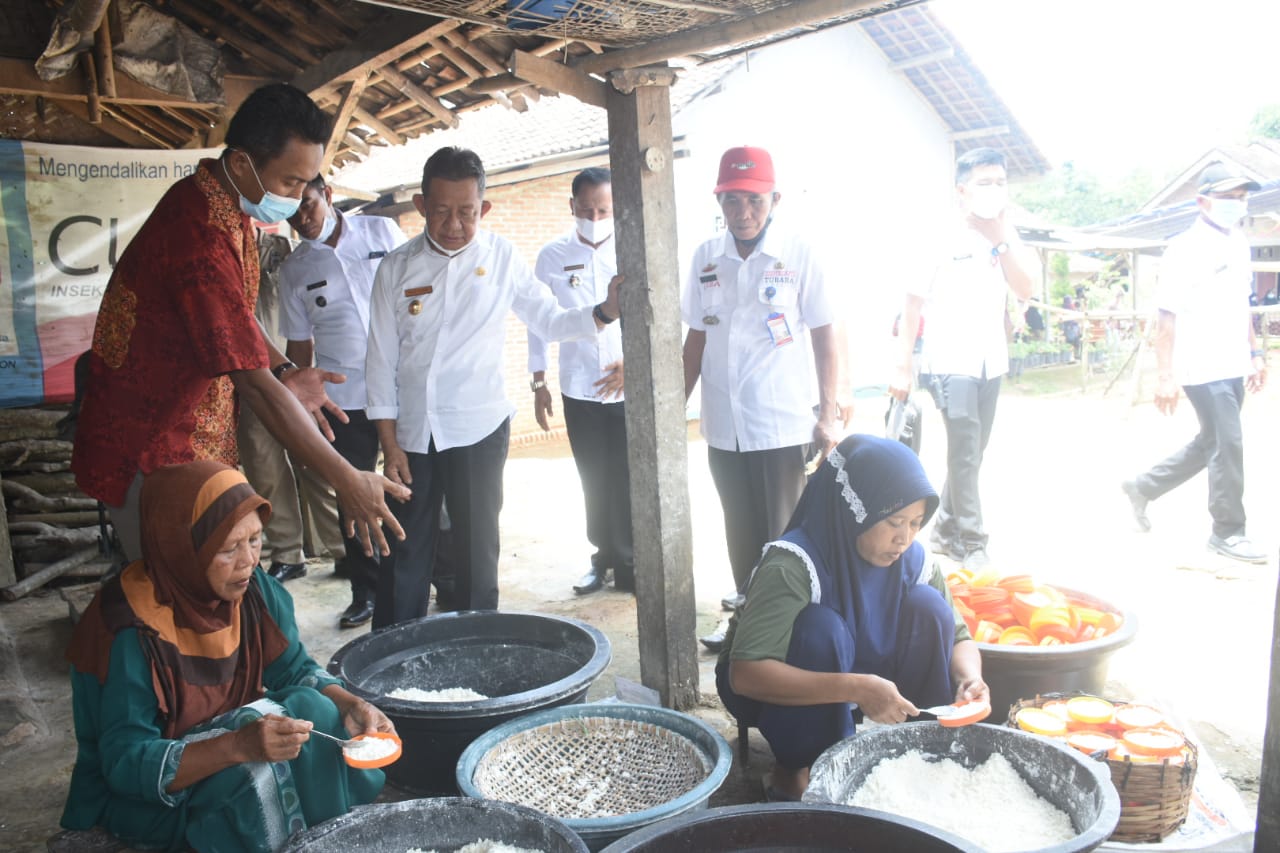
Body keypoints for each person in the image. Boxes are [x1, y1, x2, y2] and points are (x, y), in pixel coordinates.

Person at [70, 83, 409, 565]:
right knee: (175, 595)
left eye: (305, 185)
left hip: (189, 436)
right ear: (241, 164)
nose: (295, 200)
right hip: (149, 449)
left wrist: (287, 368)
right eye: (290, 182)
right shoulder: (199, 234)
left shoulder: (226, 208)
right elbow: (253, 385)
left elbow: (238, 315)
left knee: (207, 587)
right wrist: (347, 478)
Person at [61, 461, 393, 852]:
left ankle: (328, 841)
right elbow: (125, 765)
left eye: (254, 540)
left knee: (313, 707)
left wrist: (348, 702)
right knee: (256, 772)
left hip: (229, 735)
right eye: (228, 548)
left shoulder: (251, 591)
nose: (249, 561)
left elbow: (293, 668)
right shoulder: (130, 631)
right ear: (182, 547)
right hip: (160, 788)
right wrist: (237, 746)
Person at [365, 146, 623, 627]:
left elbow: (547, 317)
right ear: (422, 206)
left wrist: (603, 313)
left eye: (466, 212)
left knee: (476, 550)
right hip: (412, 435)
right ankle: (391, 656)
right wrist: (388, 442)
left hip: (480, 428)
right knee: (405, 546)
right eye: (441, 211)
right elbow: (379, 360)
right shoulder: (396, 268)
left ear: (483, 208)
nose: (454, 224)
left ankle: (476, 646)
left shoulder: (502, 256)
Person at [716, 434, 987, 802]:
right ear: (855, 509)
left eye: (915, 523)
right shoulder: (794, 562)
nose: (904, 538)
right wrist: (857, 688)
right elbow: (745, 674)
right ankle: (794, 770)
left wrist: (970, 679)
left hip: (863, 668)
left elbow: (959, 636)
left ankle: (916, 752)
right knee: (819, 629)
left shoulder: (914, 560)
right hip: (769, 685)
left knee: (930, 607)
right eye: (894, 521)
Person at [681, 146, 846, 646]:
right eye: (732, 201)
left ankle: (787, 637)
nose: (743, 213)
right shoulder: (707, 257)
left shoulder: (798, 253)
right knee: (739, 531)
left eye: (753, 200)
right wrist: (673, 408)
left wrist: (829, 413)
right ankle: (745, 626)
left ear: (774, 199)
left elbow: (824, 334)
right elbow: (695, 337)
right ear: (720, 201)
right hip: (724, 426)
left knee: (783, 538)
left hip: (780, 425)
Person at [889, 147, 1037, 571]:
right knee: (967, 448)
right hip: (949, 361)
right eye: (984, 183)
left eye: (1000, 182)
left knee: (972, 453)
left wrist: (1001, 240)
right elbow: (911, 307)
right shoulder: (938, 235)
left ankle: (946, 528)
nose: (994, 190)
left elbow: (1026, 288)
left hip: (992, 359)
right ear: (962, 190)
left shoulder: (1006, 234)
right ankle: (972, 541)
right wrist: (903, 365)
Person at [1122, 162, 1268, 564]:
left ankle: (1144, 487)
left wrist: (1255, 354)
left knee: (1213, 441)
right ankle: (1228, 531)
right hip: (1200, 365)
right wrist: (1164, 376)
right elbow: (1165, 318)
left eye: (1241, 199)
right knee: (1228, 443)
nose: (1236, 205)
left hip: (1234, 360)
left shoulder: (1239, 242)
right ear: (1203, 201)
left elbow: (1243, 306)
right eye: (1227, 198)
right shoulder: (1183, 249)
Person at [280, 175, 408, 628]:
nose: (301, 218)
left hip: (399, 388)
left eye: (308, 205)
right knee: (352, 495)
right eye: (291, 212)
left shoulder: (381, 233)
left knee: (413, 483)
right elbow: (299, 350)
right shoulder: (293, 270)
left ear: (328, 194)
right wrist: (304, 406)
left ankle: (429, 577)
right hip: (343, 399)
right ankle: (367, 591)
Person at [528, 167, 632, 595]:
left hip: (628, 388)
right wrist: (539, 380)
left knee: (628, 476)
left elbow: (657, 311)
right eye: (587, 209)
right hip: (578, 386)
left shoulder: (632, 249)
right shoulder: (551, 256)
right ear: (572, 207)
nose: (595, 216)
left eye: (603, 209)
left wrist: (634, 365)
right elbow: (539, 323)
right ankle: (602, 558)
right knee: (593, 476)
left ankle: (631, 562)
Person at [239, 230, 345, 583]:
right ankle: (287, 552)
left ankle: (343, 548)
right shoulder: (223, 252)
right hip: (253, 376)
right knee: (263, 461)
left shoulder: (292, 257)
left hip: (299, 374)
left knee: (315, 457)